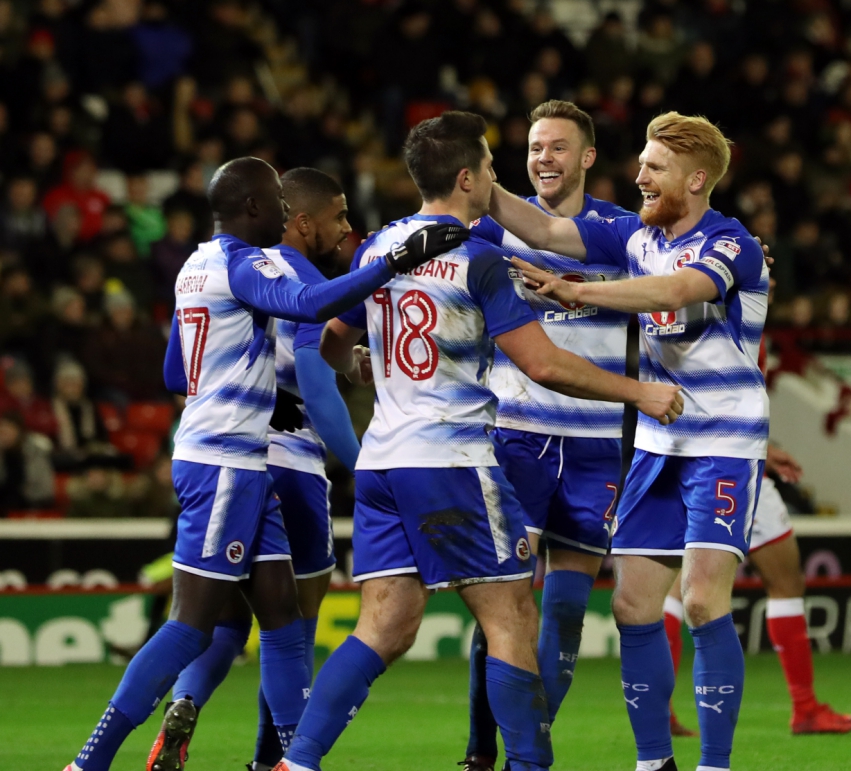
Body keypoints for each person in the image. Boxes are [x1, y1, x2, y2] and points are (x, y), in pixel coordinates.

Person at [272, 112, 683, 771]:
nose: (499, 177)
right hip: (452, 462)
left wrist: (358, 363)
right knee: (513, 617)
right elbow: (544, 364)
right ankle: (524, 763)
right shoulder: (477, 258)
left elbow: (332, 339)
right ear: (466, 178)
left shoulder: (378, 245)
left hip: (383, 463)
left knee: (382, 626)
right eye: (492, 166)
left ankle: (297, 762)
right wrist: (640, 393)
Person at [63, 155, 466, 771]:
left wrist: (240, 376)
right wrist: (395, 262)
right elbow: (308, 306)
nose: (284, 213)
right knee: (191, 625)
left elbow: (177, 371)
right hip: (225, 460)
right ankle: (88, 762)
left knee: (278, 615)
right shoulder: (245, 261)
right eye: (276, 203)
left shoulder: (194, 264)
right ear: (253, 208)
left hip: (242, 460)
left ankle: (289, 762)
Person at [488, 111, 767, 771]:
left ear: (696, 179)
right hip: (655, 444)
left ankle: (716, 765)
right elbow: (547, 227)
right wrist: (474, 178)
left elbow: (677, 289)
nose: (638, 176)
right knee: (633, 603)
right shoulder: (636, 237)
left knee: (700, 597)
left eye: (655, 167)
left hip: (723, 441)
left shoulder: (732, 245)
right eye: (641, 163)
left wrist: (584, 292)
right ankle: (653, 762)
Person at [147, 167, 369, 771]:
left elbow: (177, 374)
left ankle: (186, 699)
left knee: (224, 619)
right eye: (339, 217)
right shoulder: (296, 279)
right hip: (290, 459)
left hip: (225, 455)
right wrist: (364, 468)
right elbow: (317, 390)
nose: (347, 230)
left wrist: (349, 361)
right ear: (300, 219)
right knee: (291, 624)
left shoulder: (224, 267)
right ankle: (272, 759)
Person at [461, 99, 630, 771]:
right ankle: (479, 752)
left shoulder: (620, 231)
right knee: (503, 605)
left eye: (558, 147)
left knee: (562, 614)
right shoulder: (492, 232)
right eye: (534, 148)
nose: (545, 159)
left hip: (594, 449)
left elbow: (680, 266)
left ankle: (525, 753)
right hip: (517, 440)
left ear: (587, 157)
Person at [664, 444, 851, 736]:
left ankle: (658, 710)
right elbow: (727, 403)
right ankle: (805, 708)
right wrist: (763, 447)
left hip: (679, 462)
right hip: (734, 466)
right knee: (786, 584)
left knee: (678, 583)